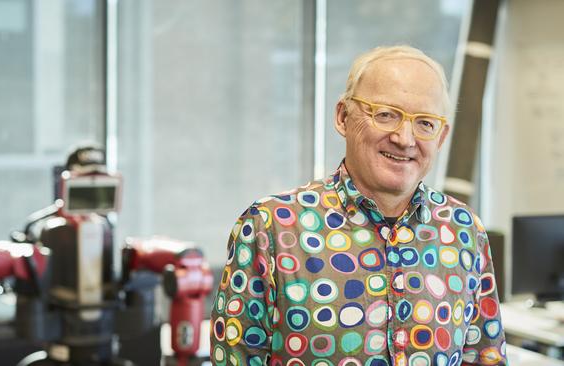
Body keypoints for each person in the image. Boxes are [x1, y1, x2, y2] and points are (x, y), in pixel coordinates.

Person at [209, 45, 507, 366]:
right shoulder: (271, 227)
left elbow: (484, 358)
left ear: (442, 136)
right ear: (342, 116)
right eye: (386, 115)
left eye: (425, 123)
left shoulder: (463, 229)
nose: (405, 139)